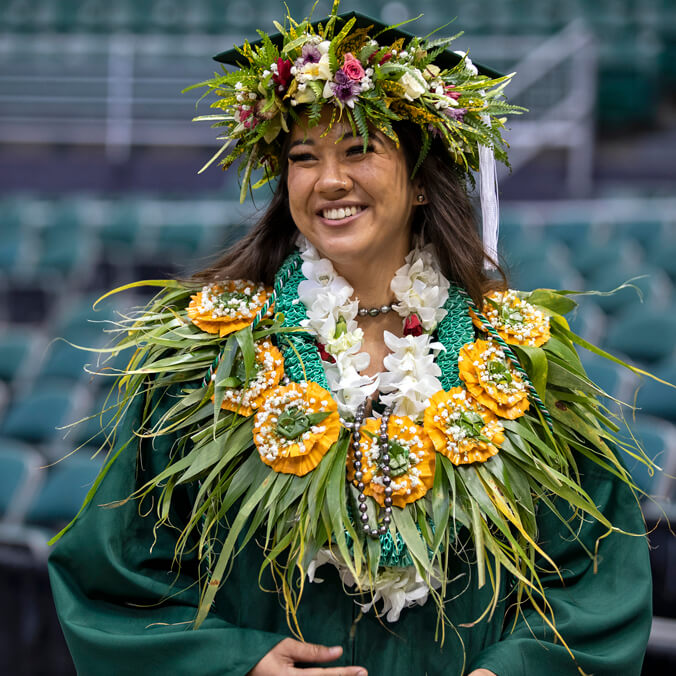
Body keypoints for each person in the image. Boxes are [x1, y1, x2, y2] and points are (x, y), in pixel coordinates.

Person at [49, 7, 652, 676]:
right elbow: (113, 569)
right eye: (305, 158)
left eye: (358, 150)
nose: (329, 180)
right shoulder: (212, 357)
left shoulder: (515, 358)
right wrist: (234, 664)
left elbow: (595, 574)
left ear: (422, 181)